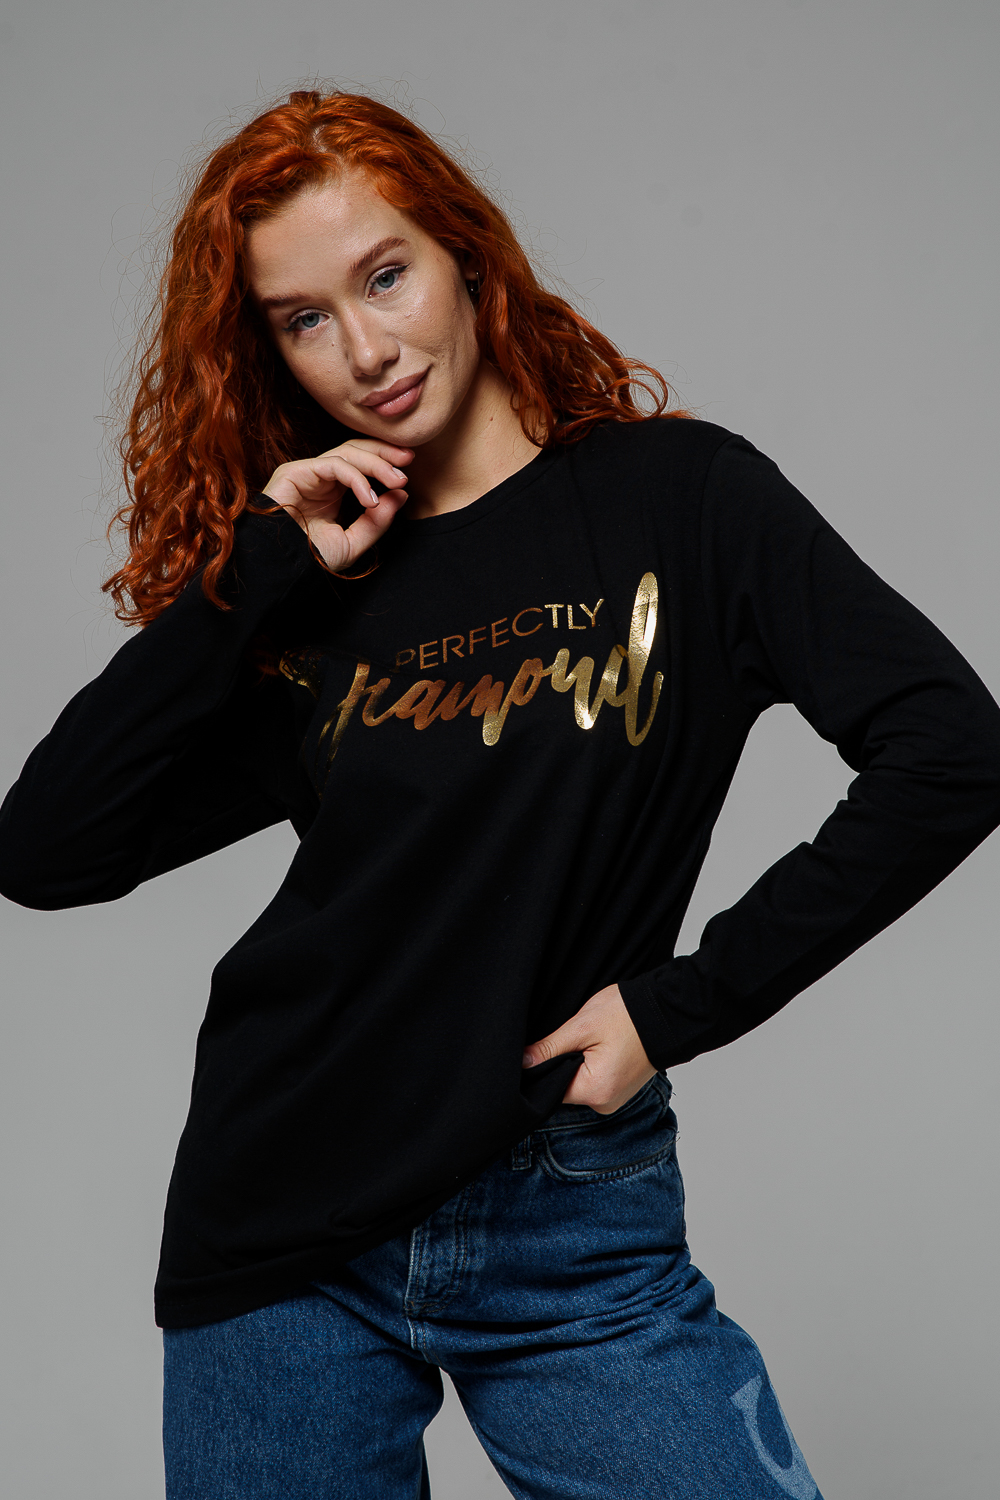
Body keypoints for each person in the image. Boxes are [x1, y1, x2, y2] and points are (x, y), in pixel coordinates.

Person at [1, 88, 999, 1500]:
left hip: (567, 1221)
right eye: (303, 319)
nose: (365, 350)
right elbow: (46, 848)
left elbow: (952, 750)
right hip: (283, 1226)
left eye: (385, 276)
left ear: (467, 256)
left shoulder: (682, 504)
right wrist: (261, 569)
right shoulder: (317, 595)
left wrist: (679, 1006)